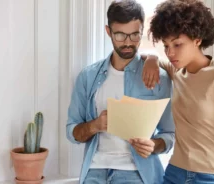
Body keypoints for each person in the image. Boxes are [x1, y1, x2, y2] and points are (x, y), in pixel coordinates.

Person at [142, 0, 214, 183]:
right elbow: (147, 56)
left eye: (177, 44)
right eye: (165, 45)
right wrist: (151, 58)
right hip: (175, 173)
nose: (170, 53)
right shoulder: (177, 71)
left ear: (197, 40)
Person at [66, 0, 175, 184]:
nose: (128, 43)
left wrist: (153, 145)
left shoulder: (159, 78)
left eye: (134, 35)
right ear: (108, 31)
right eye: (120, 35)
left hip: (136, 171)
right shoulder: (88, 76)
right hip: (95, 170)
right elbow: (72, 131)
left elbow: (169, 134)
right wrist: (95, 125)